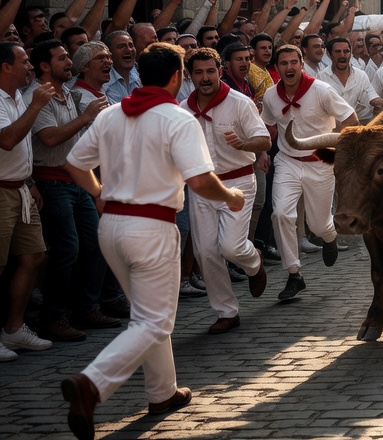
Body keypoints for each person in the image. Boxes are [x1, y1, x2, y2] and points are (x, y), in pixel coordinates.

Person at [60, 43, 247, 437]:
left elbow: (75, 164)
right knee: (154, 320)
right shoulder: (177, 119)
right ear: (177, 76)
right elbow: (199, 180)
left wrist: (98, 192)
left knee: (147, 315)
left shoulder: (111, 115)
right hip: (152, 228)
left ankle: (162, 392)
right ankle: (92, 382)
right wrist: (231, 196)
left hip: (111, 225)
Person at [31, 41, 114, 343]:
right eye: (62, 58)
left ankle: (85, 308)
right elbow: (49, 138)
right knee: (67, 250)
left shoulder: (71, 94)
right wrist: (86, 116)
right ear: (44, 66)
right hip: (51, 181)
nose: (69, 62)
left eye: (69, 57)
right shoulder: (37, 96)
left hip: (76, 181)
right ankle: (53, 316)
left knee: (94, 243)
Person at [183, 48, 270, 334]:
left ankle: (254, 261)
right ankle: (227, 312)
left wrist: (243, 145)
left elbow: (264, 140)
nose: (205, 78)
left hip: (239, 182)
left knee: (231, 247)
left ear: (220, 72)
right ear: (190, 75)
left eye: (210, 71)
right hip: (202, 187)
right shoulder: (183, 109)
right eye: (199, 72)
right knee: (206, 251)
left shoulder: (239, 102)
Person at [260, 44, 356, 301]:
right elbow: (267, 126)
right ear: (277, 68)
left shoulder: (322, 90)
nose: (289, 67)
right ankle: (294, 274)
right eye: (284, 63)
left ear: (302, 64)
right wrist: (261, 152)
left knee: (317, 223)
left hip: (319, 162)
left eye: (294, 62)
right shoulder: (271, 95)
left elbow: (350, 118)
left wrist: (340, 146)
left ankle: (330, 235)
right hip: (287, 161)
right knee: (280, 214)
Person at [0, 42, 58, 361]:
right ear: (6, 67)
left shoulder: (19, 95)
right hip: (0, 191)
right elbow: (8, 140)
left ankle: (13, 329)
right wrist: (36, 106)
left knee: (34, 257)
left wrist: (29, 181)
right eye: (24, 61)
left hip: (20, 189)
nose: (31, 67)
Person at [319, 37, 382, 122]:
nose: (342, 55)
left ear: (350, 53)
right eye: (338, 52)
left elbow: (370, 94)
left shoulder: (360, 75)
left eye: (346, 51)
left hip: (355, 125)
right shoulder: (321, 78)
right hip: (331, 128)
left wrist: (377, 102)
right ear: (329, 55)